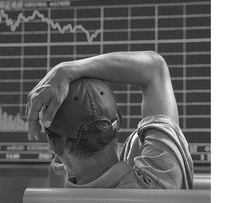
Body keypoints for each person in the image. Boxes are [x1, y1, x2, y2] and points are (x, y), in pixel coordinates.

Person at [25, 51, 194, 189]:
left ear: (55, 145)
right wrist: (66, 70)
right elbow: (155, 67)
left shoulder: (55, 193)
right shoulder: (161, 179)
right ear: (117, 121)